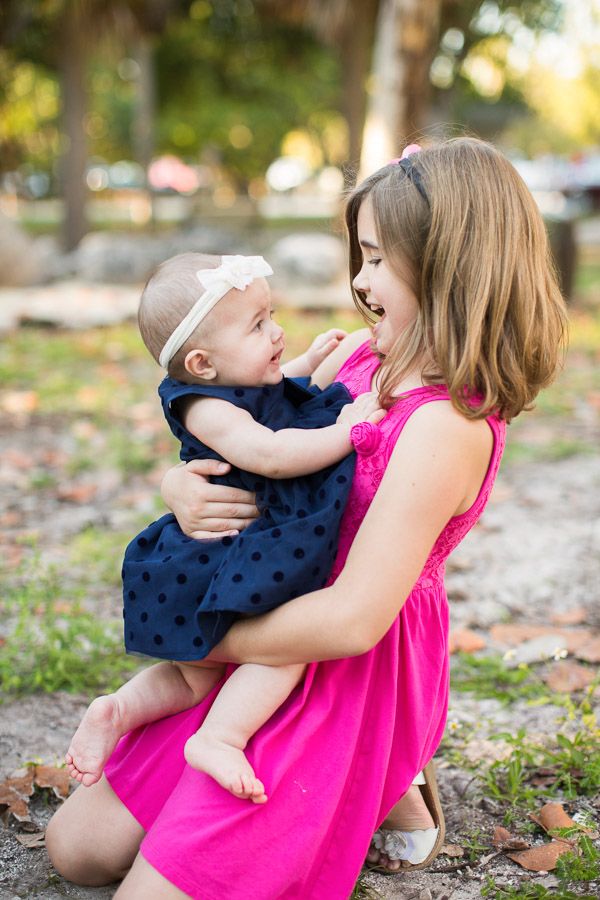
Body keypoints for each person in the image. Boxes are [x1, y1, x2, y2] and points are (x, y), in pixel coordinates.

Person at [46, 137, 567, 899]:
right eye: (361, 255)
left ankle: (381, 770)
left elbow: (353, 622)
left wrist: (207, 633)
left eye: (378, 259)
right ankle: (381, 790)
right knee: (77, 851)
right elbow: (247, 432)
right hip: (277, 619)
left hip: (341, 659)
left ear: (450, 264)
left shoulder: (446, 427)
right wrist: (179, 485)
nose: (360, 281)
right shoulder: (364, 359)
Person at [65, 251, 383, 802]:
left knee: (192, 675)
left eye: (271, 314)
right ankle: (220, 736)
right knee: (284, 650)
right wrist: (346, 431)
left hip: (231, 549)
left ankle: (118, 709)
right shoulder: (204, 407)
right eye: (258, 326)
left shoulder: (231, 377)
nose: (277, 331)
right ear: (203, 365)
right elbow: (273, 452)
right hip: (237, 553)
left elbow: (273, 393)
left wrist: (304, 362)